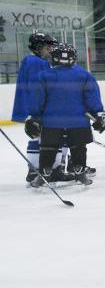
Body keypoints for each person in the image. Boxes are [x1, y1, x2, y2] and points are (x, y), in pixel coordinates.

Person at [24, 44, 105, 187]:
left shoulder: (43, 76)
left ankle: (44, 174)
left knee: (48, 147)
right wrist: (99, 114)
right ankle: (80, 172)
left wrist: (33, 117)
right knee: (78, 147)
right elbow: (92, 98)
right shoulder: (84, 75)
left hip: (51, 122)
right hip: (79, 121)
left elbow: (37, 100)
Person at [11, 32, 57, 183]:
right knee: (39, 136)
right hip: (37, 107)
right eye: (47, 47)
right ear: (37, 48)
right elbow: (40, 87)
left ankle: (38, 169)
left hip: (33, 105)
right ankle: (37, 170)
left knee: (38, 136)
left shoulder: (32, 61)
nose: (50, 50)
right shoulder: (36, 62)